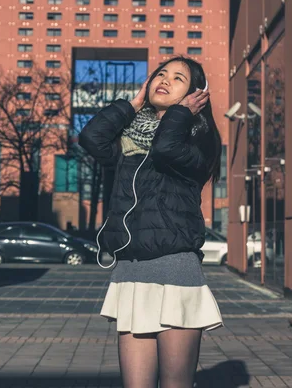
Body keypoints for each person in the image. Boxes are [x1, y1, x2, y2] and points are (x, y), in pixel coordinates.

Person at [78, 55, 224, 388]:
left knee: (176, 384)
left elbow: (165, 149)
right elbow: (91, 138)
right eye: (161, 74)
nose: (165, 80)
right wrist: (131, 104)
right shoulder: (128, 146)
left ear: (195, 96)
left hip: (176, 272)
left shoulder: (196, 145)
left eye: (178, 78)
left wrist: (182, 114)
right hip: (130, 272)